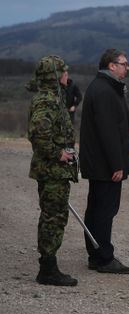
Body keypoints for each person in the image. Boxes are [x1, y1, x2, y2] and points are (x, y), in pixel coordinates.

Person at [79, 48, 129, 274]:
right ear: (111, 66)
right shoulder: (104, 91)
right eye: (123, 63)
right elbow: (108, 132)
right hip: (105, 165)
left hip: (100, 163)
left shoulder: (105, 87)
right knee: (103, 210)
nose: (127, 67)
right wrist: (117, 164)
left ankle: (96, 254)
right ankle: (104, 258)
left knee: (97, 208)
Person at [27, 55, 78, 286]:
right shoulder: (47, 101)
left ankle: (48, 265)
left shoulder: (54, 98)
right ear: (55, 76)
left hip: (55, 171)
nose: (68, 75)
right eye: (64, 71)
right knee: (53, 217)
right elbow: (38, 134)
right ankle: (48, 269)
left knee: (55, 216)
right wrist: (58, 154)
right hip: (51, 171)